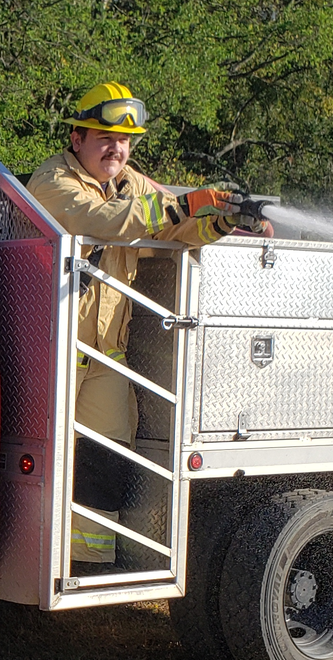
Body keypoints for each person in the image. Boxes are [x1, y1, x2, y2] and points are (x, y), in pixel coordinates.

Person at [26, 81, 265, 564]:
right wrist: (185, 202)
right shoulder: (52, 181)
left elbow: (175, 229)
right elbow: (102, 220)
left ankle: (86, 565)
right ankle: (37, 559)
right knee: (47, 463)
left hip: (105, 356)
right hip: (53, 354)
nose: (116, 150)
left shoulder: (131, 183)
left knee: (105, 460)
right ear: (77, 138)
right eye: (105, 139)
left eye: (125, 141)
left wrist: (223, 221)